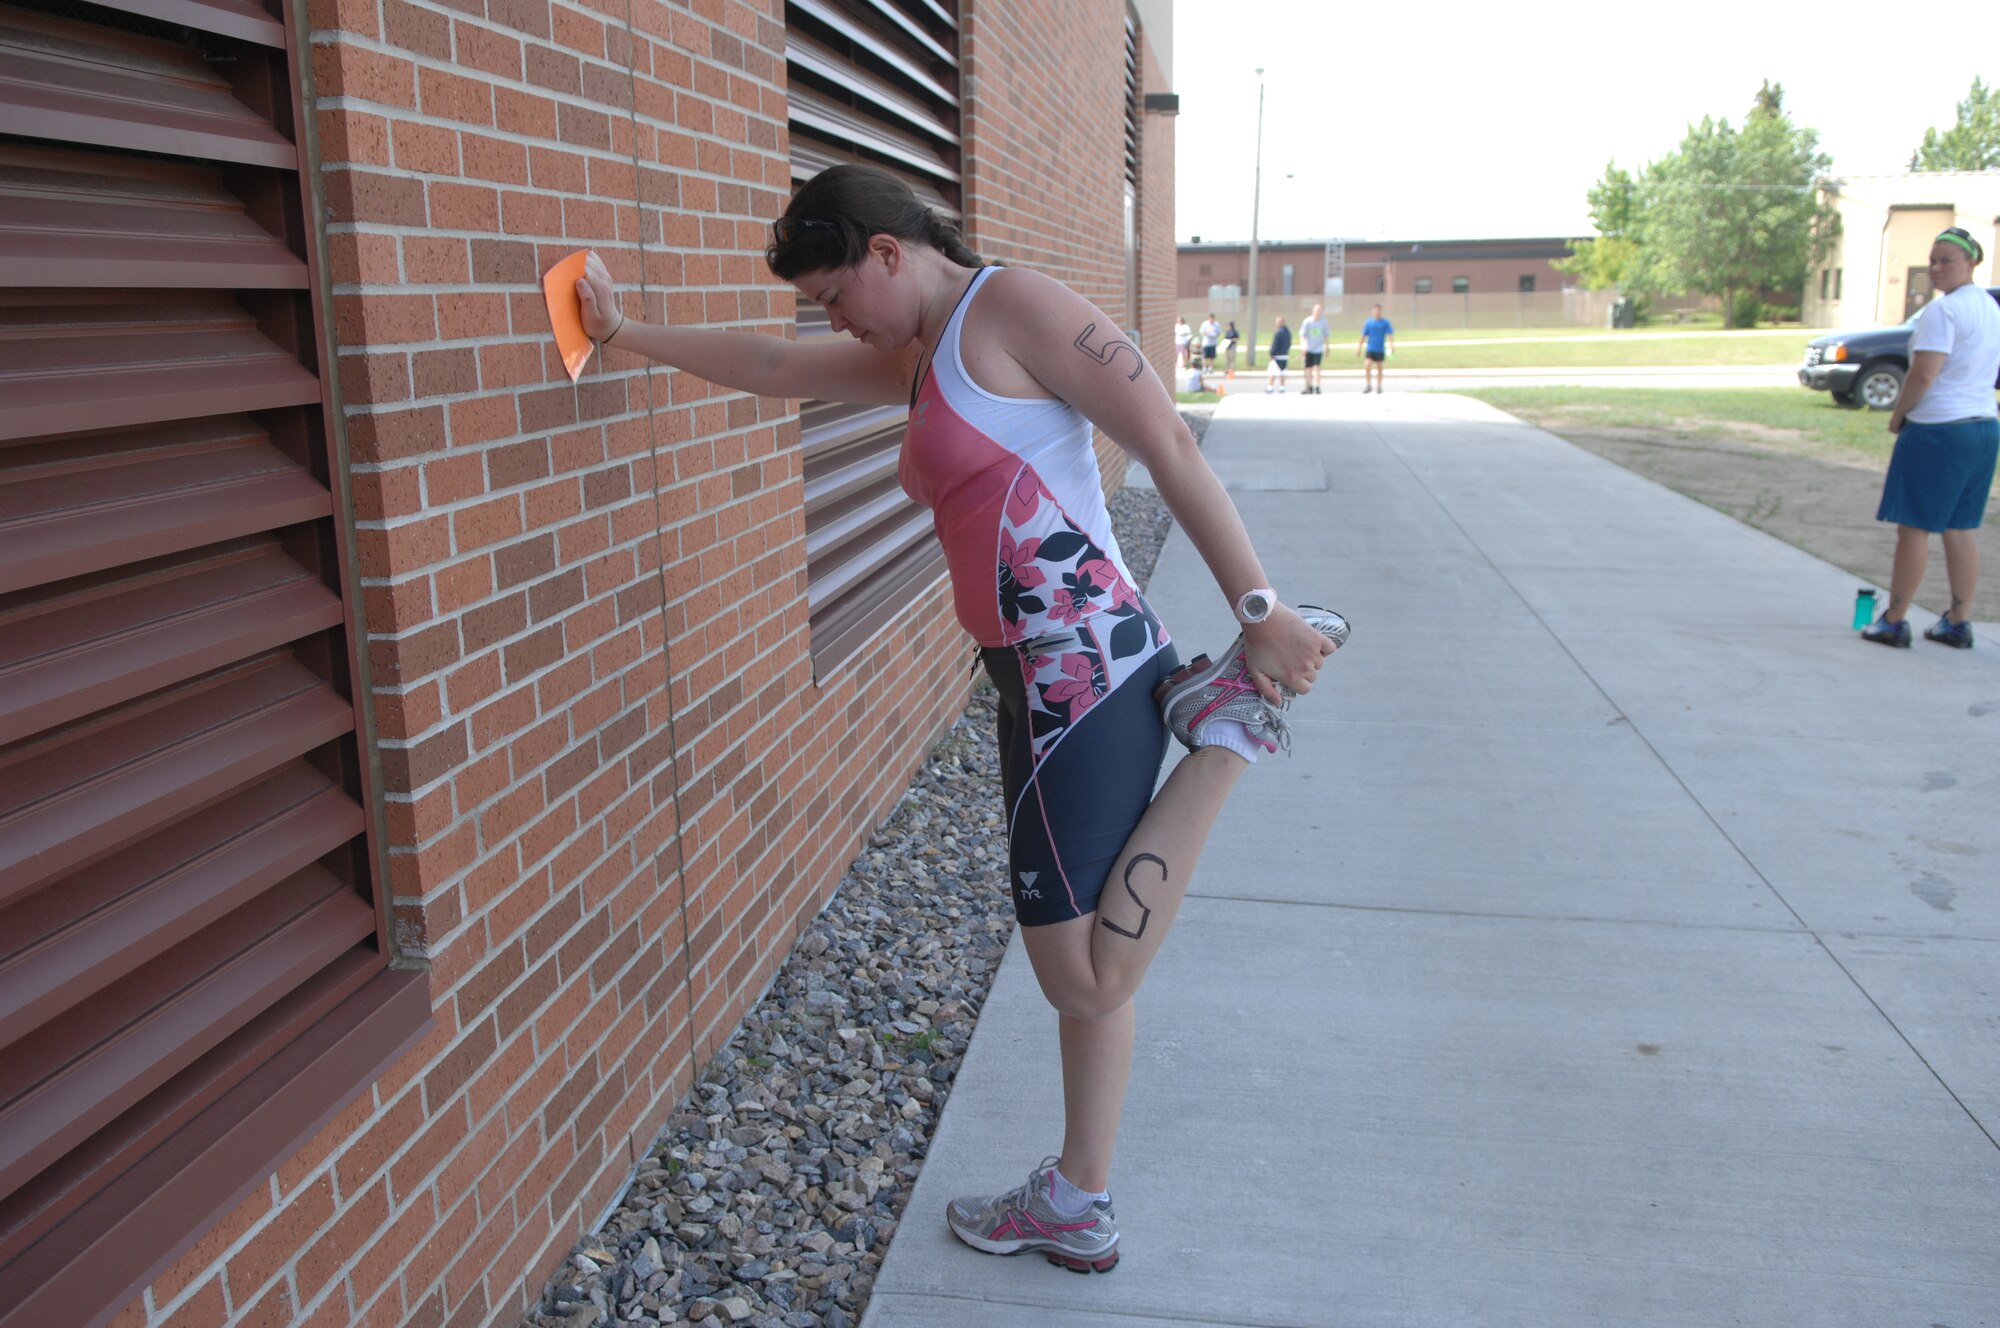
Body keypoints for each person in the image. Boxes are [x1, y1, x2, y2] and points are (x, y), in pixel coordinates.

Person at [573, 163, 1346, 1272]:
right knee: (1085, 966)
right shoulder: (921, 354)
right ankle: (1079, 1197)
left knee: (1083, 974)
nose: (832, 318)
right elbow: (777, 366)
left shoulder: (1011, 308)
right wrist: (626, 332)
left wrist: (1257, 610)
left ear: (887, 252)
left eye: (837, 291)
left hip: (1074, 671)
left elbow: (1165, 440)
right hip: (1040, 678)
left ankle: (1225, 729)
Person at [1860, 226, 2000, 649]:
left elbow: (1924, 373)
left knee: (1914, 528)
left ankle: (1894, 619)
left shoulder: (1944, 311)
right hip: (1983, 426)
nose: (1936, 268)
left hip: (1939, 429)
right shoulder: (1990, 307)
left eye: (1947, 261)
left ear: (1971, 262)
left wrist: (1898, 416)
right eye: (1933, 260)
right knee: (1959, 527)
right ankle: (1958, 621)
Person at [1358, 304, 1394, 393]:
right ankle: (1368, 385)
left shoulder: (1385, 322)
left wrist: (1391, 345)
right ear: (1373, 312)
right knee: (1367, 364)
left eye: (1378, 310)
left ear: (1380, 311)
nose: (1377, 312)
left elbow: (1389, 334)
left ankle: (1379, 386)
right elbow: (1363, 335)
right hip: (1371, 348)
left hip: (1380, 349)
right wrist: (1359, 347)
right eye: (1375, 310)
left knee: (1379, 367)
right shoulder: (1369, 323)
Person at [1299, 302, 1330, 394]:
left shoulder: (1324, 322)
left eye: (1319, 310)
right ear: (1313, 311)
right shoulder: (1307, 321)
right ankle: (1309, 386)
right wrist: (1304, 346)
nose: (1318, 312)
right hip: (1309, 348)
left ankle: (1317, 386)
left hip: (1318, 348)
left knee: (1317, 367)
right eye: (1316, 310)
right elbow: (1302, 335)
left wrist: (1327, 347)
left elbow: (1326, 335)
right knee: (1308, 368)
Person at [1265, 317, 1292, 393]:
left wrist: (1271, 353)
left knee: (1272, 372)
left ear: (1282, 322)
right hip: (1285, 355)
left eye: (1277, 322)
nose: (1276, 324)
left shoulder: (1278, 333)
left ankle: (1270, 387)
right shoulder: (1288, 333)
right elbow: (1289, 344)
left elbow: (1275, 344)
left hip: (1277, 356)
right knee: (1282, 372)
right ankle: (1282, 387)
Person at [1199, 312, 1221, 378]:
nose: (1212, 320)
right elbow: (1201, 332)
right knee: (1205, 356)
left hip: (1213, 342)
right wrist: (1207, 333)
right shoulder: (1205, 324)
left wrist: (1214, 334)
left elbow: (1218, 333)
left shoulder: (1216, 324)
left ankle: (1211, 367)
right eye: (1210, 318)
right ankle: (1204, 367)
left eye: (1213, 319)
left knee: (1212, 356)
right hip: (1206, 342)